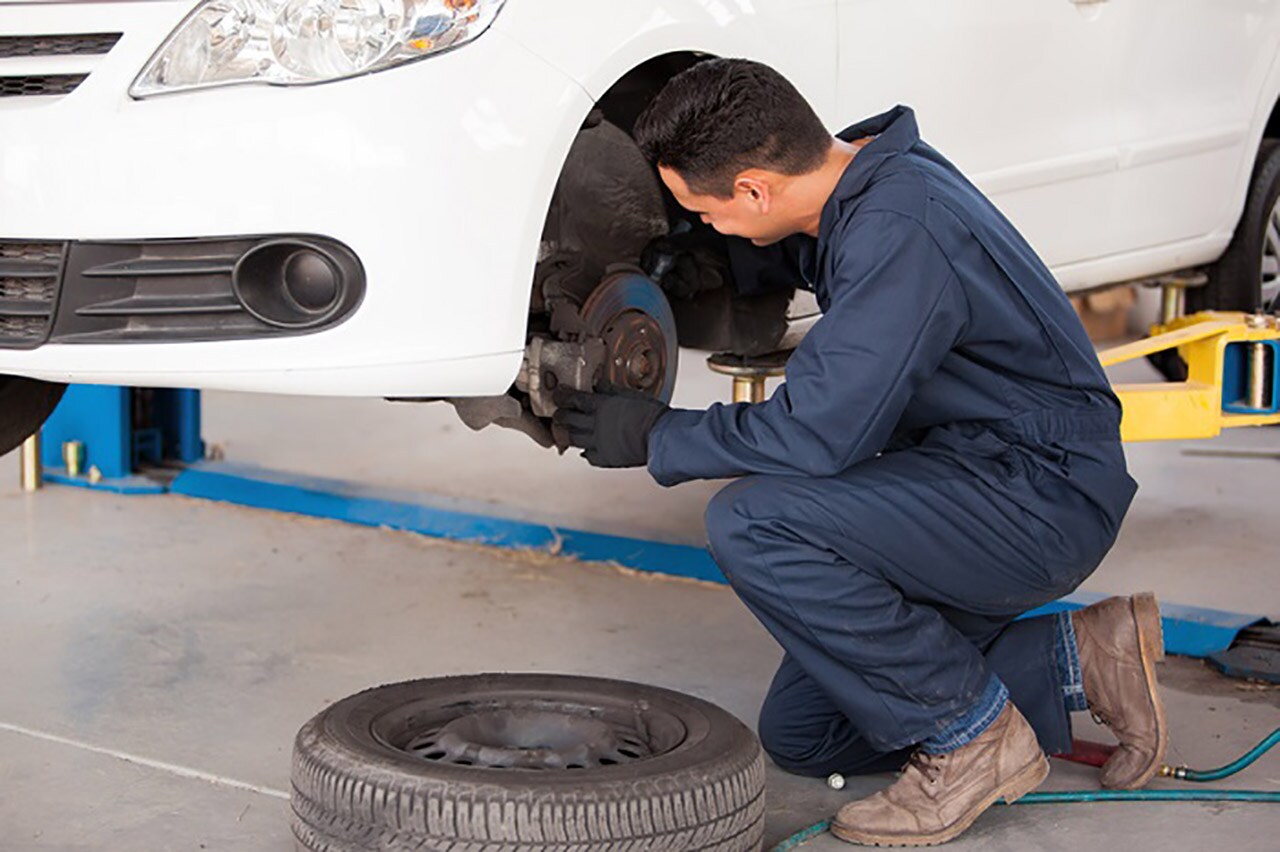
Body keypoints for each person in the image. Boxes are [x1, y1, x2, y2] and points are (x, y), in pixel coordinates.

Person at [552, 59, 1165, 846]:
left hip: (1036, 494)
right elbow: (821, 250)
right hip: (969, 469)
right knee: (806, 734)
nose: (699, 223)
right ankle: (1084, 655)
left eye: (701, 212)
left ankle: (974, 740)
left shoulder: (901, 229)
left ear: (753, 190)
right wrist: (728, 260)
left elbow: (816, 432)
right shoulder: (864, 178)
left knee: (754, 520)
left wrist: (654, 434)